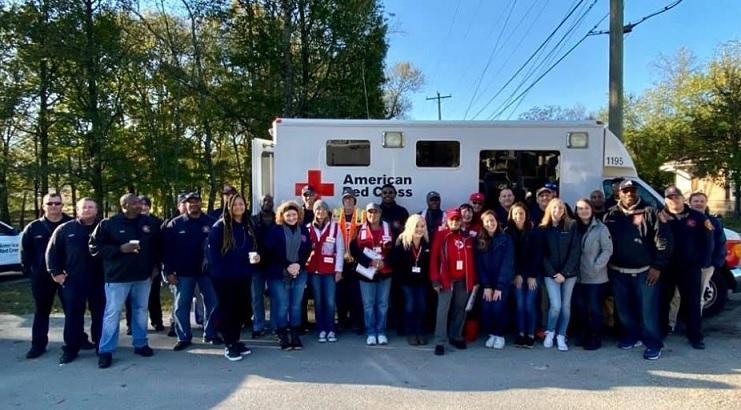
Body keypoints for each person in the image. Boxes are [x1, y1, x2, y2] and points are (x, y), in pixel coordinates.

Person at [603, 179, 672, 360]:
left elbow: (663, 241)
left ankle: (653, 344)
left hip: (645, 272)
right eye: (625, 191)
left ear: (637, 192)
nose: (629, 194)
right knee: (624, 311)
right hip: (618, 272)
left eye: (632, 191)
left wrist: (657, 266)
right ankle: (632, 336)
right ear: (619, 193)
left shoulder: (650, 212)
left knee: (648, 311)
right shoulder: (610, 214)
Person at [90, 194, 161, 369]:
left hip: (143, 277)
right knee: (112, 314)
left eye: (140, 202)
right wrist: (119, 249)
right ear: (124, 206)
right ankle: (106, 350)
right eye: (135, 203)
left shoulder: (149, 223)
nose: (139, 205)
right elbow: (94, 247)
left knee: (140, 311)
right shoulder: (108, 224)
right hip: (117, 278)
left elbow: (158, 246)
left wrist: (155, 266)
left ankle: (140, 344)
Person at [45, 198, 104, 364]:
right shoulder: (65, 229)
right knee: (73, 316)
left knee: (100, 315)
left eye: (90, 207)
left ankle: (102, 347)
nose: (87, 210)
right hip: (73, 281)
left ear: (96, 209)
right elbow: (52, 252)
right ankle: (71, 348)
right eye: (83, 207)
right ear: (77, 210)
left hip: (99, 281)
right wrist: (56, 273)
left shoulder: (104, 228)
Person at [163, 192, 221, 351]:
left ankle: (210, 333)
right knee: (181, 305)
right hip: (183, 273)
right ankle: (183, 337)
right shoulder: (175, 224)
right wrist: (169, 271)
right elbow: (167, 250)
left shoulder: (211, 222)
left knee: (213, 303)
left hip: (207, 273)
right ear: (185, 204)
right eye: (190, 202)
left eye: (196, 202)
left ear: (201, 203)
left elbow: (219, 248)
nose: (193, 205)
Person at [20, 192, 74, 359]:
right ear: (43, 206)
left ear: (62, 205)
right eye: (49, 203)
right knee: (42, 311)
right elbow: (25, 252)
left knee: (72, 311)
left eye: (57, 203)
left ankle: (75, 341)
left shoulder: (72, 224)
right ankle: (38, 345)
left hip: (68, 276)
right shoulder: (33, 227)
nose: (53, 206)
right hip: (42, 278)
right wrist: (30, 271)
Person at [660, 186, 712, 350]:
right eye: (670, 197)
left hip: (690, 268)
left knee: (692, 303)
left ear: (683, 198)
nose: (673, 200)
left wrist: (702, 262)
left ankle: (695, 335)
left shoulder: (698, 217)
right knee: (663, 301)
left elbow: (707, 242)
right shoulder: (659, 217)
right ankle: (663, 330)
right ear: (666, 200)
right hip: (667, 268)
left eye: (676, 197)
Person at [207, 193, 258, 361]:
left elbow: (251, 247)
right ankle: (229, 345)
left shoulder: (247, 225)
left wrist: (256, 257)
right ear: (229, 206)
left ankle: (236, 340)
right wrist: (225, 271)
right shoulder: (220, 226)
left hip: (243, 276)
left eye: (241, 204)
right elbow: (213, 255)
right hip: (224, 278)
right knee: (228, 310)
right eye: (235, 204)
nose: (238, 207)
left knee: (241, 310)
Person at [668, 192, 727, 331]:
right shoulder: (683, 219)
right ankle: (670, 324)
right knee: (675, 296)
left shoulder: (713, 222)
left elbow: (721, 243)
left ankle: (694, 326)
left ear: (706, 203)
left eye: (702, 201)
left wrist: (715, 263)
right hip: (684, 265)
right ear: (690, 202)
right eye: (696, 201)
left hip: (705, 266)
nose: (699, 203)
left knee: (698, 297)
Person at [264, 200, 312, 350]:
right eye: (288, 215)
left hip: (299, 271)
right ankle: (283, 335)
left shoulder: (303, 229)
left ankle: (295, 335)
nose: (291, 217)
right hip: (279, 273)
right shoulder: (275, 230)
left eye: (294, 214)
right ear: (282, 216)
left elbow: (308, 249)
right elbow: (271, 251)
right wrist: (288, 265)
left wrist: (299, 264)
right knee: (283, 305)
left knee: (296, 305)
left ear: (298, 215)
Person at [430, 208, 477, 356]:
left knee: (460, 309)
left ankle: (456, 336)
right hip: (446, 280)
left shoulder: (467, 237)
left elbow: (473, 259)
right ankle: (440, 341)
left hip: (464, 279)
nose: (455, 222)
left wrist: (474, 280)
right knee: (443, 310)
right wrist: (435, 280)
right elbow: (433, 259)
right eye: (452, 220)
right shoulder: (441, 235)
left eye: (457, 220)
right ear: (447, 220)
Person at [539, 198, 581, 351]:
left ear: (564, 210)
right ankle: (550, 332)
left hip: (569, 274)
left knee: (565, 307)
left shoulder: (572, 226)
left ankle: (561, 335)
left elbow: (575, 251)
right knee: (555, 305)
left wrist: (564, 273)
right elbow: (542, 254)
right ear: (549, 209)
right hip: (550, 274)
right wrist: (553, 273)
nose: (558, 211)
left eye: (561, 208)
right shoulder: (543, 228)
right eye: (555, 208)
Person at [351, 203, 394, 345]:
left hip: (385, 272)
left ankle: (381, 332)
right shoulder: (359, 229)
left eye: (376, 212)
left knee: (382, 304)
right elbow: (354, 250)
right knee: (368, 304)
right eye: (370, 212)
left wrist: (385, 262)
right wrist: (369, 262)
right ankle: (371, 332)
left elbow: (396, 250)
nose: (373, 215)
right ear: (366, 213)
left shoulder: (390, 228)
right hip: (366, 273)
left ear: (380, 213)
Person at [573, 198, 613, 350]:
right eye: (580, 208)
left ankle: (595, 336)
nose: (583, 211)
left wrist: (596, 267)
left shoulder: (601, 228)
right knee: (581, 308)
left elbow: (607, 250)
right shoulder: (573, 227)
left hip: (596, 277)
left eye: (586, 208)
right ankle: (584, 334)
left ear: (591, 210)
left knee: (595, 309)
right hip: (577, 276)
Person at [124, 195, 164, 333]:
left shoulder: (156, 222)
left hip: (152, 265)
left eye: (146, 204)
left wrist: (157, 266)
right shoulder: (127, 221)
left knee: (153, 295)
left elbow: (160, 246)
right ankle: (131, 324)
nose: (143, 206)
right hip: (131, 266)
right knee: (131, 298)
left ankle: (157, 321)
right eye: (140, 203)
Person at [475, 211, 515, 350]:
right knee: (486, 308)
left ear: (497, 221)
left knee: (498, 307)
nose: (490, 224)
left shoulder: (506, 238)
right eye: (487, 221)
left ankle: (500, 335)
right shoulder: (479, 240)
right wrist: (486, 285)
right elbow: (479, 264)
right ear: (483, 224)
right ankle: (492, 333)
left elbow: (508, 263)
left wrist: (499, 286)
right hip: (487, 283)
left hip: (501, 282)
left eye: (492, 220)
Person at [390, 214, 431, 345]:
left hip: (422, 281)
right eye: (417, 226)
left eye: (422, 226)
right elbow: (395, 263)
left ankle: (420, 331)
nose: (419, 229)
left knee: (422, 306)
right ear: (410, 227)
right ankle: (411, 332)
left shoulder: (427, 242)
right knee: (410, 306)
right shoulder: (402, 241)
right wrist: (403, 278)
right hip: (406, 282)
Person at [306, 200, 344, 343]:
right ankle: (321, 329)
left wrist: (339, 270)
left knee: (329, 301)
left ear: (327, 212)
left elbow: (340, 249)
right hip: (314, 271)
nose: (320, 212)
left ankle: (330, 329)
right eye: (317, 209)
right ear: (314, 212)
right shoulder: (308, 227)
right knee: (318, 301)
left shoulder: (335, 227)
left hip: (330, 271)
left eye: (323, 209)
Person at [506, 203, 540, 349]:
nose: (518, 217)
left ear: (526, 215)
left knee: (529, 303)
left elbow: (537, 255)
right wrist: (518, 274)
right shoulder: (507, 232)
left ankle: (531, 334)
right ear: (511, 216)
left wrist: (532, 275)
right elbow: (511, 256)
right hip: (517, 274)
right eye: (515, 214)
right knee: (520, 304)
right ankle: (520, 334)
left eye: (521, 213)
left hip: (533, 273)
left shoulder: (534, 231)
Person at [333, 187, 365, 334]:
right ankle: (341, 321)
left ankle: (356, 322)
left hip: (355, 260)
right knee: (340, 293)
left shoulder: (362, 215)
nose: (348, 201)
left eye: (350, 198)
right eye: (345, 198)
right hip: (339, 259)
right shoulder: (335, 215)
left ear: (355, 201)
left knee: (356, 293)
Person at [250, 194, 276, 338]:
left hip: (274, 264)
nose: (267, 203)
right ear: (260, 203)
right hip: (256, 265)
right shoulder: (252, 220)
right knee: (256, 297)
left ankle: (275, 325)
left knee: (275, 296)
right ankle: (258, 325)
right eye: (264, 200)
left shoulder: (279, 219)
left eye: (270, 201)